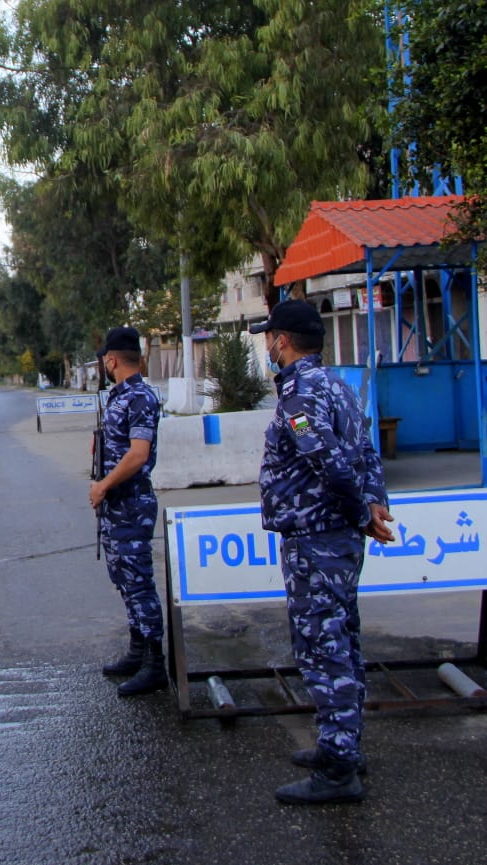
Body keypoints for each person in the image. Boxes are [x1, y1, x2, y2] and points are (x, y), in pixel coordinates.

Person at [250, 300, 395, 805]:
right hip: (340, 539)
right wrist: (374, 505)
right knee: (343, 640)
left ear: (283, 341)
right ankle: (343, 745)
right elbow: (367, 451)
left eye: (270, 337)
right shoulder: (337, 385)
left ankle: (338, 770)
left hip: (317, 540)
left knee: (321, 648)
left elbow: (331, 463)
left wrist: (361, 512)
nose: (268, 346)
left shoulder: (300, 394)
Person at [88, 326, 166, 697]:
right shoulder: (118, 397)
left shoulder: (139, 397)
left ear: (113, 359)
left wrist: (103, 485)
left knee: (139, 585)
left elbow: (138, 453)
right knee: (124, 581)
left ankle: (155, 665)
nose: (104, 363)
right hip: (117, 507)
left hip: (131, 503)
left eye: (105, 357)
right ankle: (136, 653)